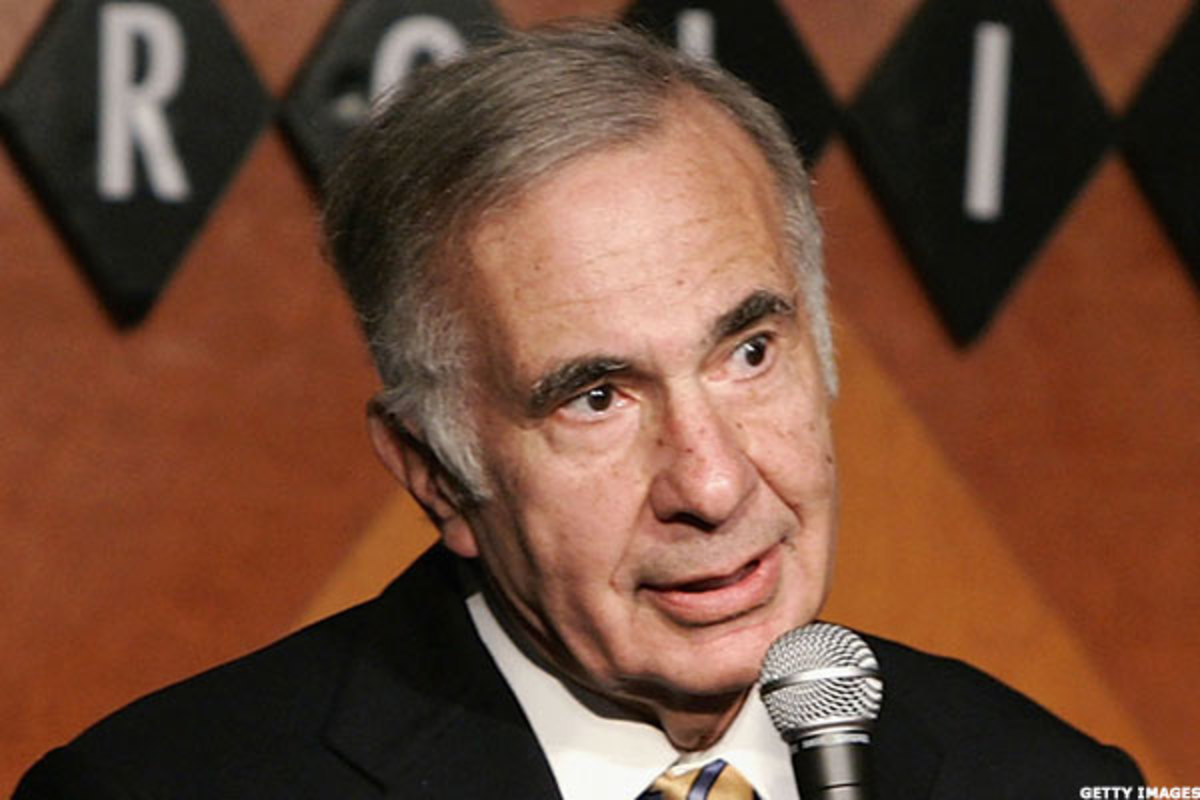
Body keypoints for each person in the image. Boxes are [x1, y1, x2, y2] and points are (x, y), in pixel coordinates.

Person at [16, 22, 1141, 799]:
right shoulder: (163, 787)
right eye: (596, 397)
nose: (713, 484)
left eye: (750, 352)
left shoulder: (1042, 779)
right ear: (434, 469)